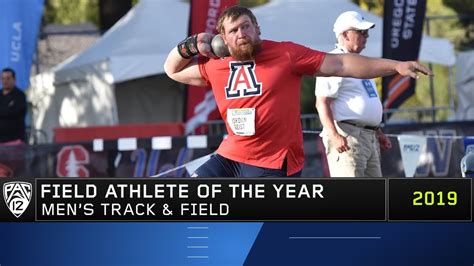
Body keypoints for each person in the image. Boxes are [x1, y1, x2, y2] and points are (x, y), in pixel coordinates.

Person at [164, 6, 431, 177]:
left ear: (257, 29)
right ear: (222, 38)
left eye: (246, 26)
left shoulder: (285, 53)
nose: (241, 33)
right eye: (233, 30)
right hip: (231, 156)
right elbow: (172, 70)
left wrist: (396, 65)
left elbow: (341, 63)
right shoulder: (216, 66)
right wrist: (190, 45)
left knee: (263, 231)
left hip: (273, 161)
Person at [315, 11, 392, 177]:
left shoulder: (360, 63)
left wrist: (377, 132)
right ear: (344, 35)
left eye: (367, 33)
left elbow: (363, 100)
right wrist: (334, 135)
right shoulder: (334, 61)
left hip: (368, 137)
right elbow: (322, 103)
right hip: (348, 135)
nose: (366, 36)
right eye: (361, 32)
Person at [0, 68, 27, 144]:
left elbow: (14, 113)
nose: (5, 81)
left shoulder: (19, 95)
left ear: (14, 80)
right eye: (3, 78)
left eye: (8, 78)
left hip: (14, 141)